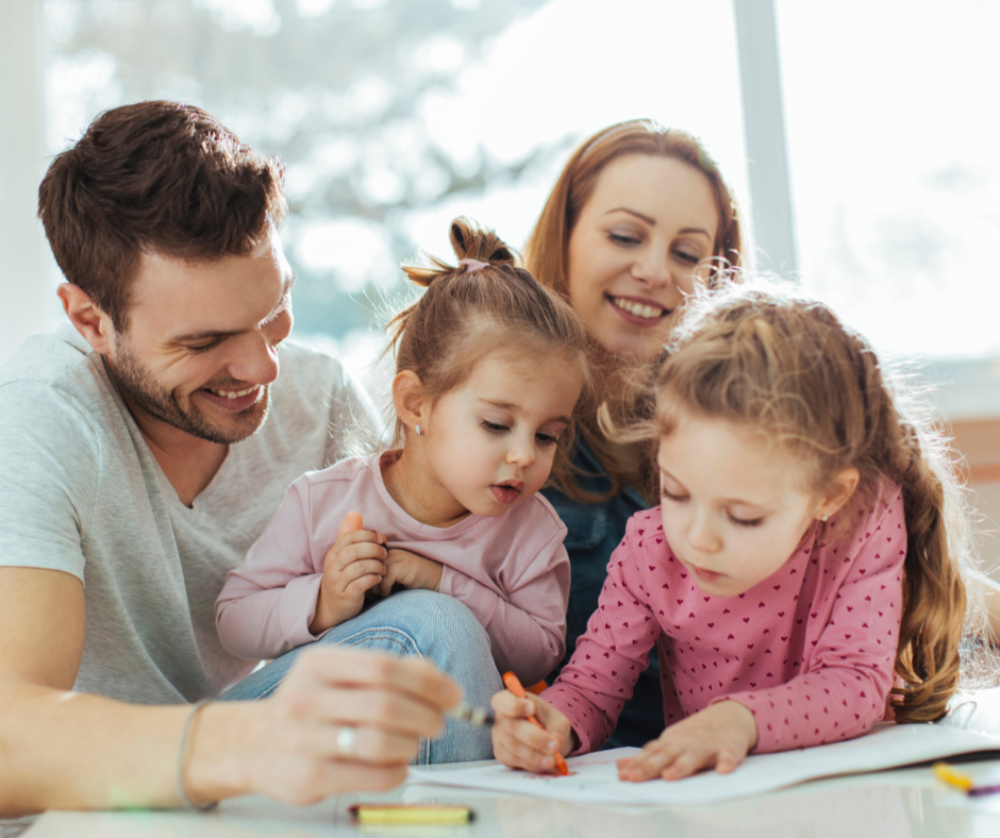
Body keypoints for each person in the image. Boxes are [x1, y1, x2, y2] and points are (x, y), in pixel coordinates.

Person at [0, 101, 492, 816]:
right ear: (89, 320)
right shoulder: (38, 418)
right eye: (204, 343)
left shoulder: (318, 395)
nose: (262, 368)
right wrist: (239, 740)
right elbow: (10, 740)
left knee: (437, 631)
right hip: (88, 805)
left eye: (274, 315)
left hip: (245, 769)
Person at [492, 285, 985, 780]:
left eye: (743, 517)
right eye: (678, 495)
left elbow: (856, 682)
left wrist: (738, 720)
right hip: (718, 801)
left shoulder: (862, 521)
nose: (698, 539)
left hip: (852, 788)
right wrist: (551, 724)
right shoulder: (650, 547)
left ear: (828, 496)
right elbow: (590, 690)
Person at [216, 219, 588, 701]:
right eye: (496, 425)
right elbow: (234, 623)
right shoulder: (324, 500)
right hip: (312, 735)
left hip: (436, 743)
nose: (523, 455)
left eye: (546, 436)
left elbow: (541, 654)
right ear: (416, 404)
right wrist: (324, 602)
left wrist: (441, 583)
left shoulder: (532, 532)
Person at [523, 119, 745, 747]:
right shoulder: (492, 425)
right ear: (563, 237)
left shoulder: (745, 428)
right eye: (625, 235)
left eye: (685, 253)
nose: (653, 271)